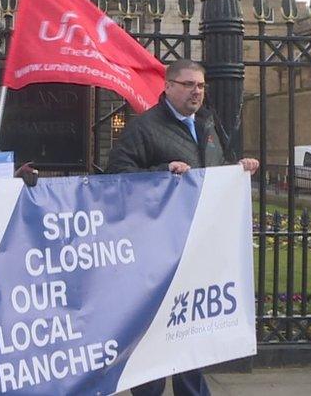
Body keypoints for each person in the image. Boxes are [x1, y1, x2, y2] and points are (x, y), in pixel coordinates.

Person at [106, 58, 258, 396]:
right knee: (155, 331)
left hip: (199, 246)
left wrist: (240, 167)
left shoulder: (207, 123)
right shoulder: (145, 127)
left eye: (201, 85)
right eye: (188, 84)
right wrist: (162, 170)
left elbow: (216, 169)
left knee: (191, 327)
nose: (197, 91)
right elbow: (116, 174)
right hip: (158, 249)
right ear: (169, 86)